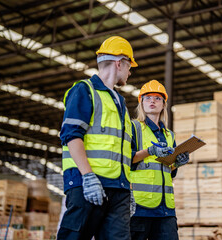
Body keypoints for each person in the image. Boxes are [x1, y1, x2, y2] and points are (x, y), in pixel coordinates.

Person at [57, 36, 137, 240]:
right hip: (88, 183)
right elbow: (71, 136)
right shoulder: (84, 90)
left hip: (118, 189)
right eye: (129, 66)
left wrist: (127, 187)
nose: (130, 72)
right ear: (119, 63)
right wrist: (88, 177)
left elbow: (123, 152)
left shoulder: (120, 102)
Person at [130, 80, 190, 240]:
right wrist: (149, 151)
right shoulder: (133, 128)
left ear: (163, 104)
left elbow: (168, 171)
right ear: (141, 102)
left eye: (157, 98)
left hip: (165, 208)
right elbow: (127, 160)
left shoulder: (169, 135)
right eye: (148, 97)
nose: (152, 101)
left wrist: (177, 163)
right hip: (139, 206)